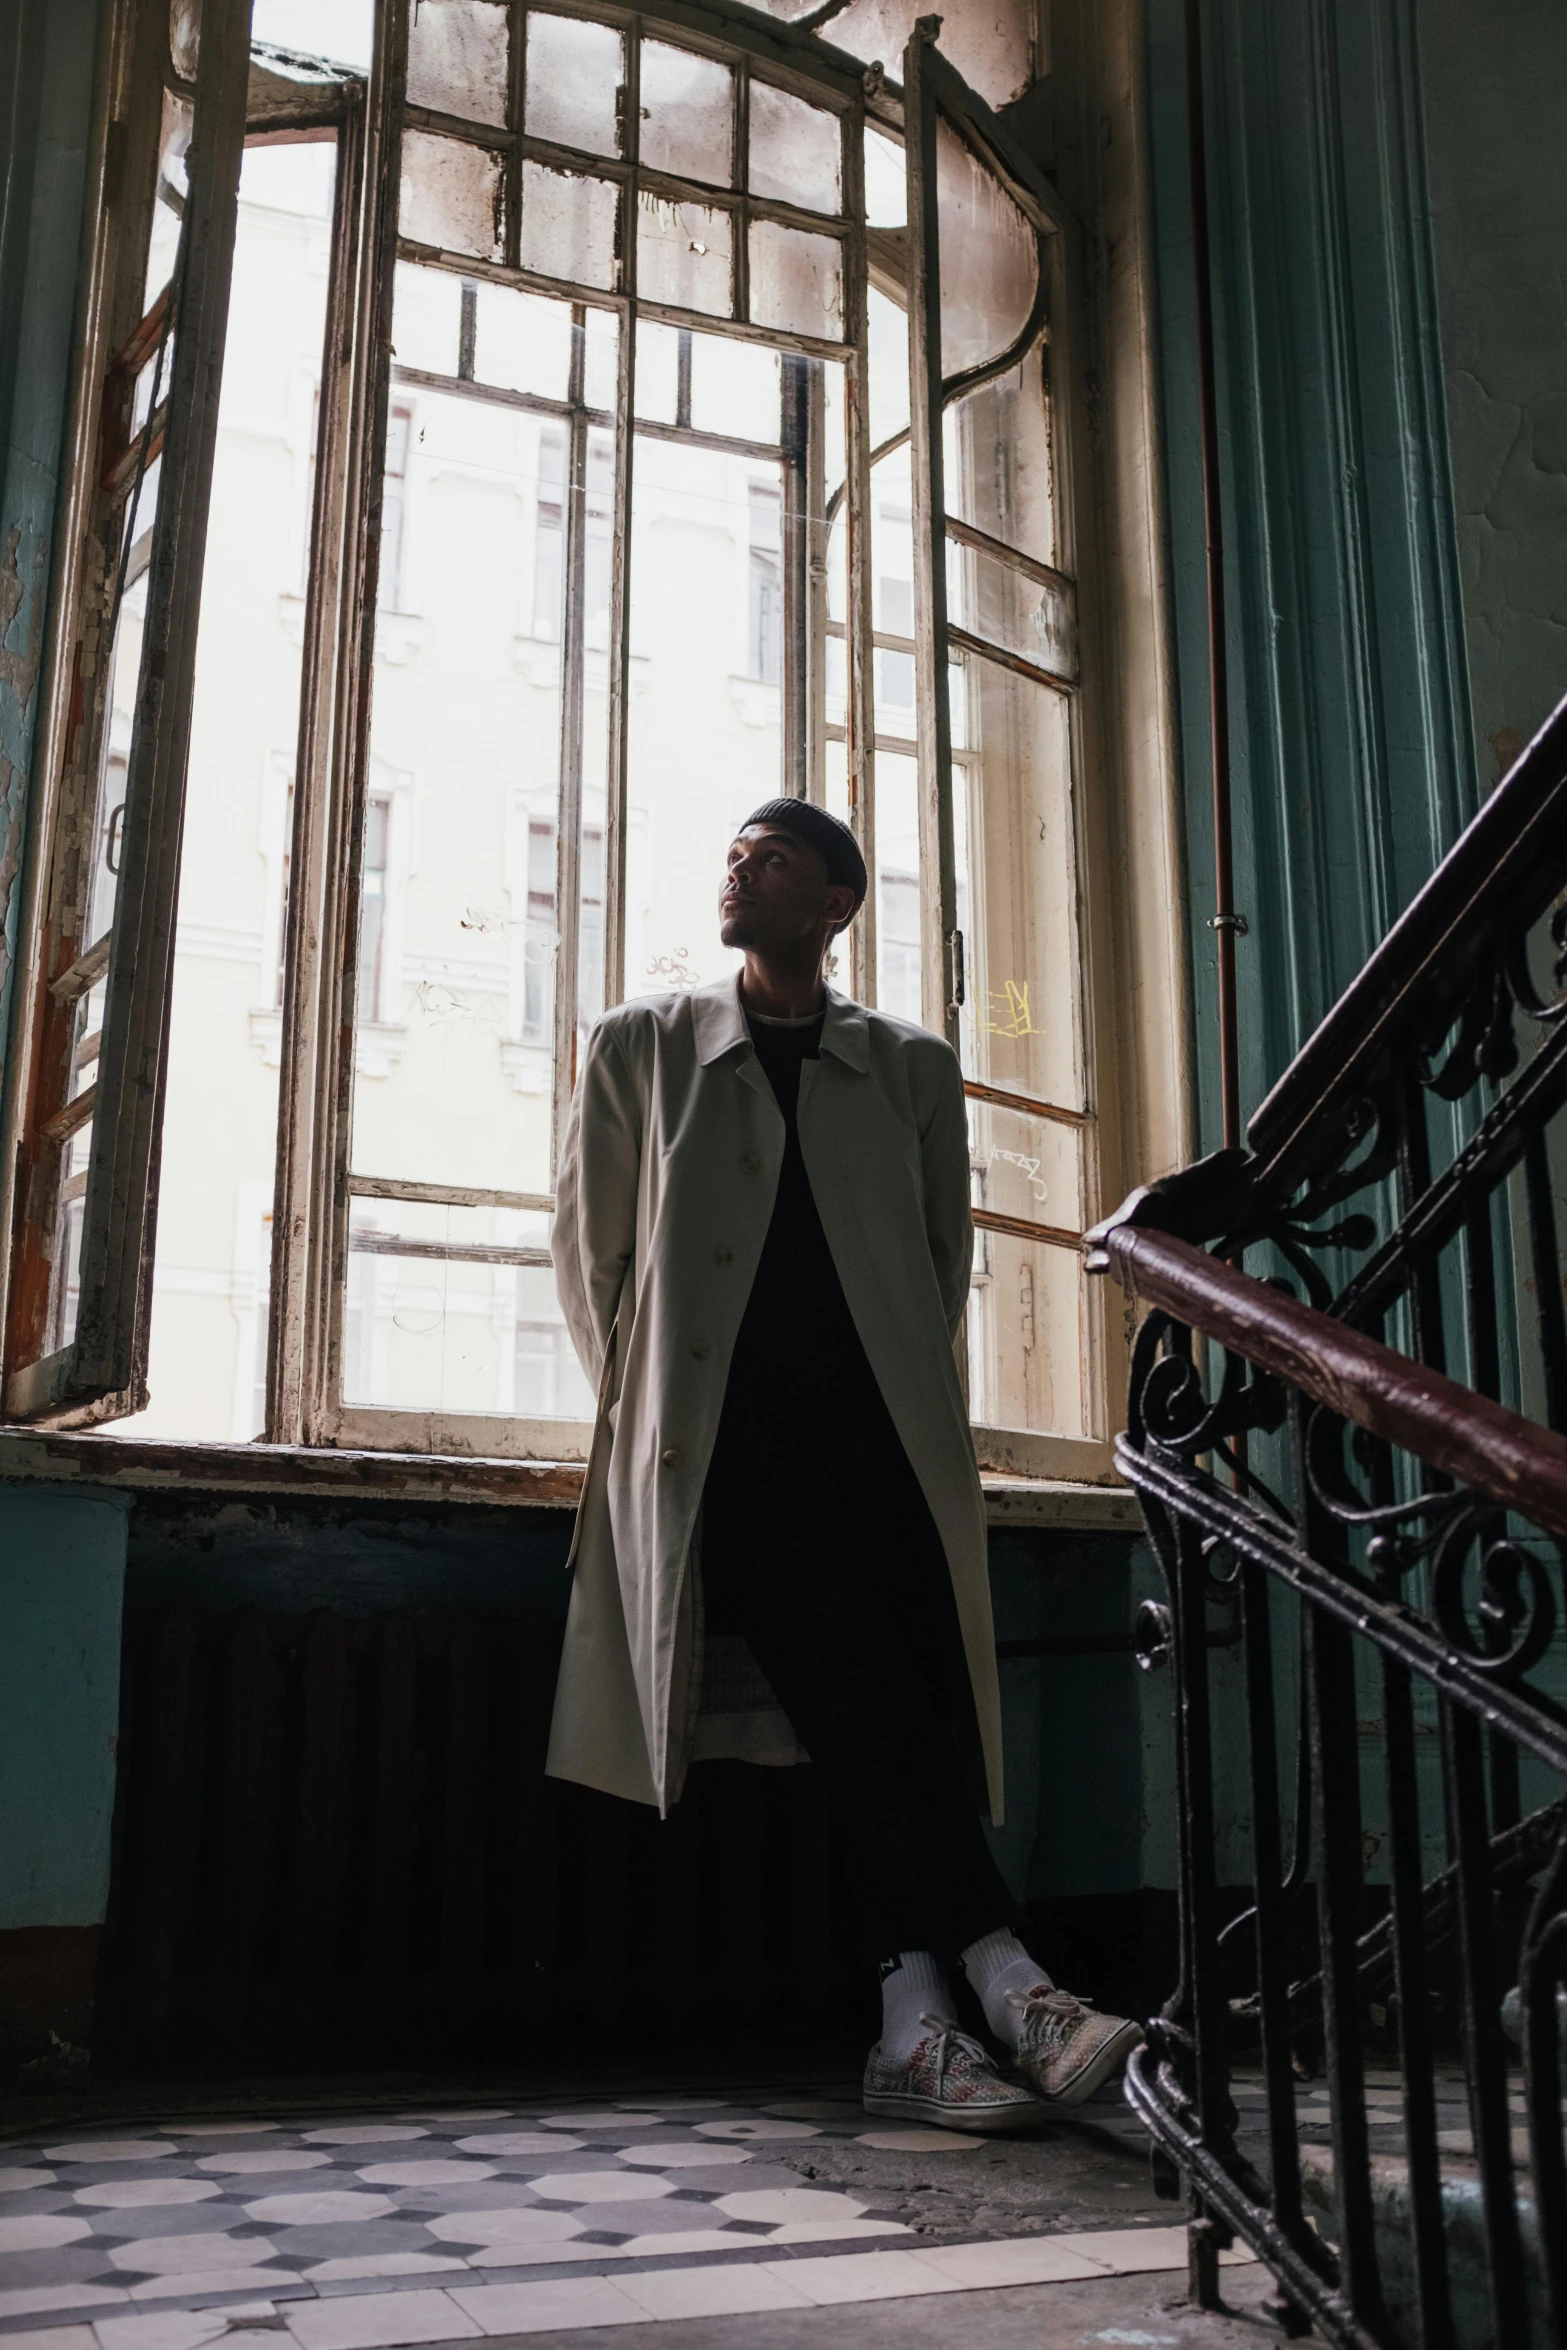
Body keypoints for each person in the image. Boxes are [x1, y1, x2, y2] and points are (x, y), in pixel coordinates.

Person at [548, 798, 1142, 2129]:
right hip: (721, 1452)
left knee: (872, 1704)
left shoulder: (911, 1067)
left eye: (772, 853)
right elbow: (592, 1258)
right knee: (863, 1684)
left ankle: (914, 2016)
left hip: (874, 1446)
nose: (737, 863)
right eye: (732, 848)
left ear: (833, 902)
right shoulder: (640, 1045)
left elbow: (941, 1265)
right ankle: (1012, 1978)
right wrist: (656, 1420)